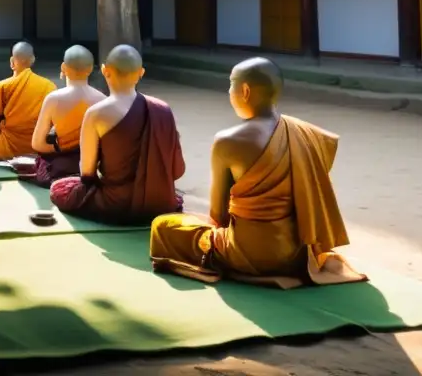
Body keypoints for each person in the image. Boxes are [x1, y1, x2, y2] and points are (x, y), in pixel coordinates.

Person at [149, 57, 367, 288]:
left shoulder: (227, 141)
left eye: (230, 84)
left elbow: (218, 215)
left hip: (248, 254)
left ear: (245, 90)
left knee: (163, 226)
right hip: (298, 253)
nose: (228, 91)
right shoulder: (304, 132)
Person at [49, 44, 185, 224]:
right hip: (160, 204)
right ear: (141, 73)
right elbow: (177, 170)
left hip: (115, 205)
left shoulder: (96, 113)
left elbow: (87, 174)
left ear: (105, 71)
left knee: (59, 188)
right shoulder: (162, 110)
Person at [28, 45, 105, 186]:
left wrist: (61, 147)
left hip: (59, 169)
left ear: (63, 67)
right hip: (90, 168)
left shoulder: (53, 99)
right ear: (90, 69)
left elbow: (37, 144)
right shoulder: (102, 99)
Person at [0, 42, 56, 162]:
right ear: (33, 60)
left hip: (8, 147)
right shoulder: (49, 86)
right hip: (38, 146)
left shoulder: (2, 87)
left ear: (11, 61)